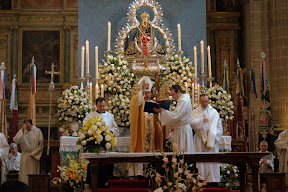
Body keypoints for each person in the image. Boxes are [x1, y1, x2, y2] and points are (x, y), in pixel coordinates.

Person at [129, 76, 163, 177]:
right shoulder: (137, 102)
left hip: (151, 135)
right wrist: (142, 91)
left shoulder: (153, 104)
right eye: (145, 93)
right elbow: (137, 102)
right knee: (140, 149)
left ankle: (150, 173)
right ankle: (139, 173)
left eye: (148, 93)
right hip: (141, 133)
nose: (147, 95)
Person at [84, 98, 119, 186]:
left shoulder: (110, 116)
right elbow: (85, 127)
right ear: (96, 106)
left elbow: (115, 128)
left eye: (103, 106)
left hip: (107, 144)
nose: (102, 108)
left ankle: (107, 183)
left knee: (107, 164)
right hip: (95, 145)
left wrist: (111, 131)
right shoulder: (90, 116)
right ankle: (94, 184)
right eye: (100, 106)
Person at [190, 94, 223, 184]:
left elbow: (219, 128)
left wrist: (212, 137)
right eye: (203, 101)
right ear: (199, 102)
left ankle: (213, 181)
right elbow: (191, 123)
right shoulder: (195, 112)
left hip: (211, 141)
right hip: (199, 139)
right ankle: (201, 180)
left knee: (211, 161)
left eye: (206, 101)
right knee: (201, 161)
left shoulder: (214, 112)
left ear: (208, 101)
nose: (204, 103)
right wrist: (201, 121)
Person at [154, 84, 193, 152]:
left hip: (183, 130)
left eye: (173, 94)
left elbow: (176, 116)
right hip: (181, 129)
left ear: (178, 92)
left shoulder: (184, 100)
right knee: (179, 151)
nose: (172, 97)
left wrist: (162, 111)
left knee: (182, 151)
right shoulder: (183, 100)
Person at [13, 119, 44, 185]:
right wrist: (22, 131)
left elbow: (41, 144)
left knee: (33, 174)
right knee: (24, 175)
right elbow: (16, 140)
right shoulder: (23, 130)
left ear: (32, 125)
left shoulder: (37, 131)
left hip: (33, 155)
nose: (27, 128)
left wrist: (34, 154)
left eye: (28, 127)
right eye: (26, 127)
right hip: (25, 155)